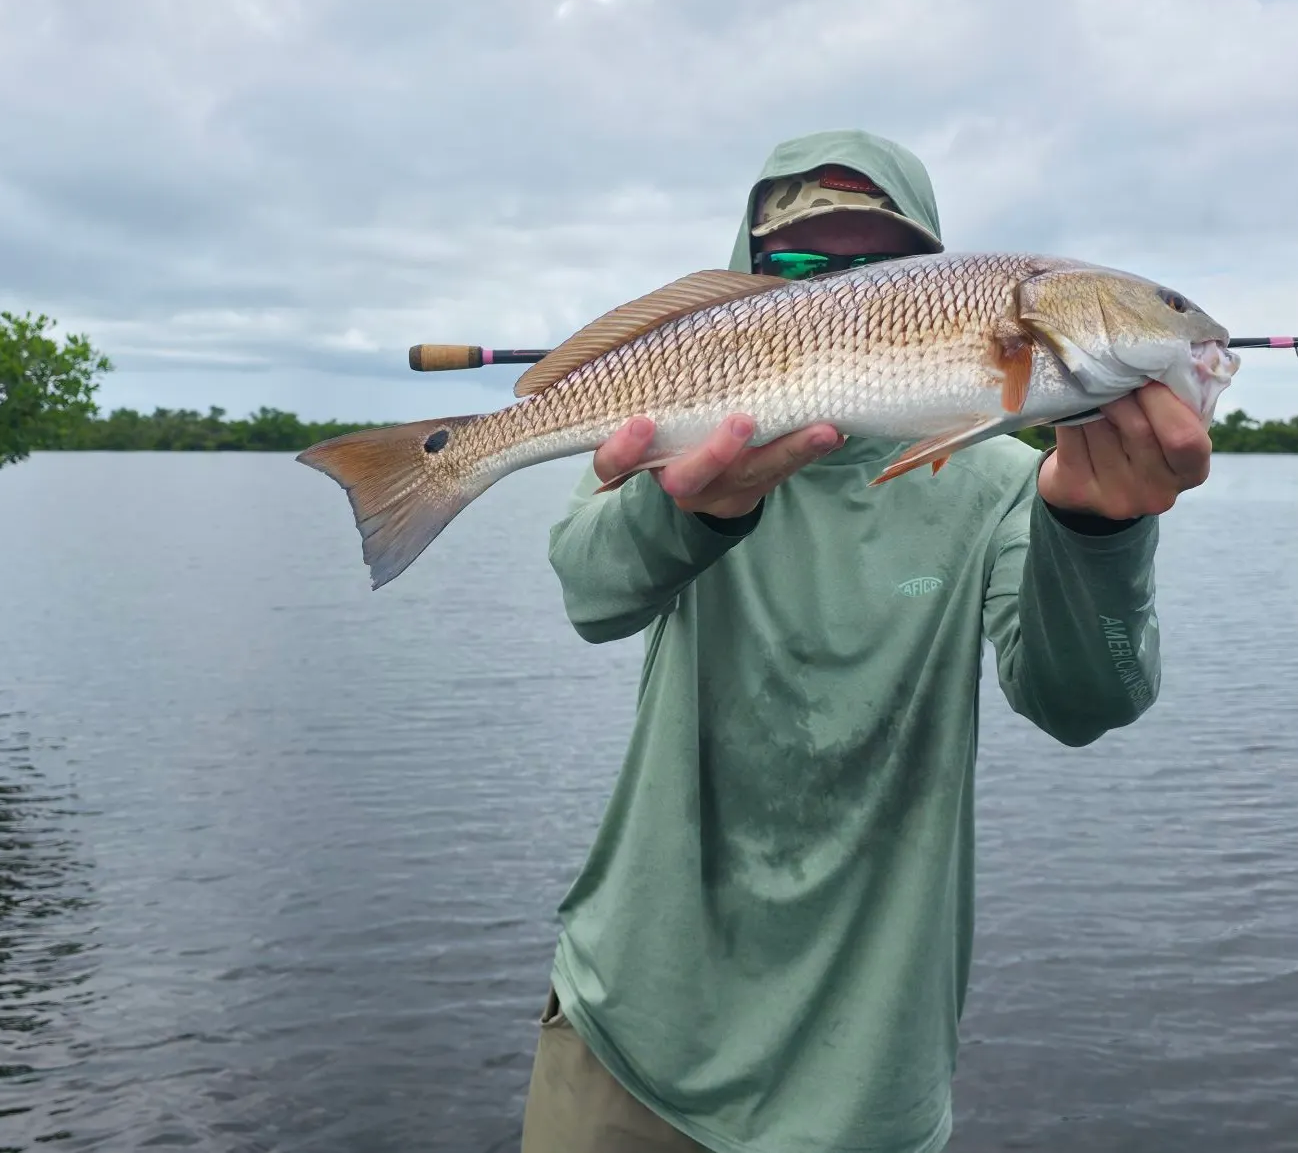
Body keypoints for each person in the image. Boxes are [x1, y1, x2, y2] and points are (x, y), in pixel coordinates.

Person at [519, 130, 1211, 1153]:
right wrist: (691, 514)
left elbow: (1086, 701)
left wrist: (1099, 532)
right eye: (797, 266)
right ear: (749, 275)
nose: (837, 289)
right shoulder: (680, 446)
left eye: (883, 267)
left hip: (866, 1091)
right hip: (629, 1033)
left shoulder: (1000, 480)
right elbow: (590, 589)